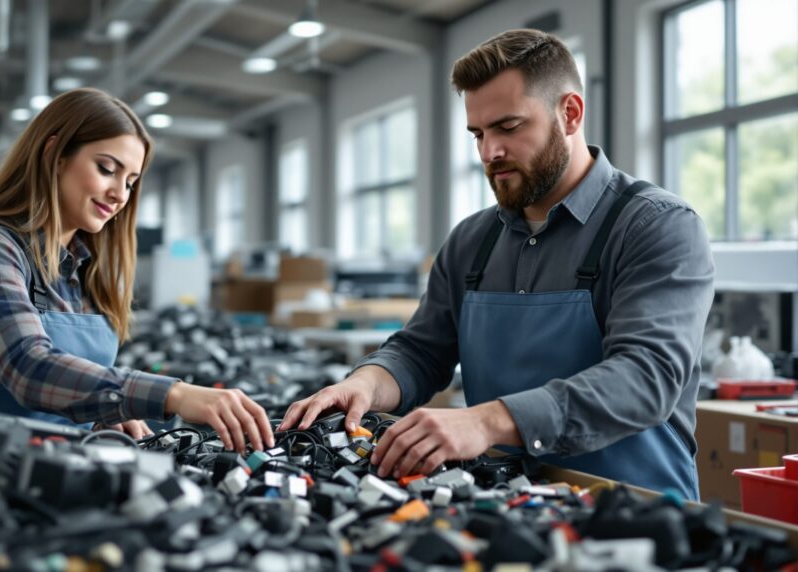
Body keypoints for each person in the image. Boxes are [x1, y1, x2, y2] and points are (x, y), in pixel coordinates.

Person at [279, 29, 714, 499]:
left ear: (569, 114)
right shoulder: (472, 241)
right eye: (478, 134)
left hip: (639, 515)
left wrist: (486, 421)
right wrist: (364, 383)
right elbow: (421, 351)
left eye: (508, 127)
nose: (489, 152)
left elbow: (644, 378)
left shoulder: (656, 227)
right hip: (511, 505)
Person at [0, 88, 274, 452]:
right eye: (106, 169)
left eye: (131, 182)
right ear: (54, 154)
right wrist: (175, 394)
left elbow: (68, 389)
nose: (120, 193)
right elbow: (28, 368)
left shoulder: (86, 271)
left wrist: (108, 411)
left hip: (54, 465)